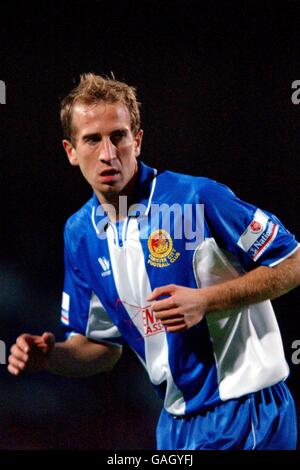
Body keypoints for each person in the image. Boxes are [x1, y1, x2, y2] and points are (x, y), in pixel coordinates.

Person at [8, 73, 300, 450]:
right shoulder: (79, 234)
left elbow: (292, 262)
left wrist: (206, 302)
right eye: (92, 139)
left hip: (247, 414)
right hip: (174, 425)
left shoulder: (197, 198)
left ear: (138, 140)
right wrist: (51, 358)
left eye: (119, 136)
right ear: (70, 150)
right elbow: (101, 349)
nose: (108, 153)